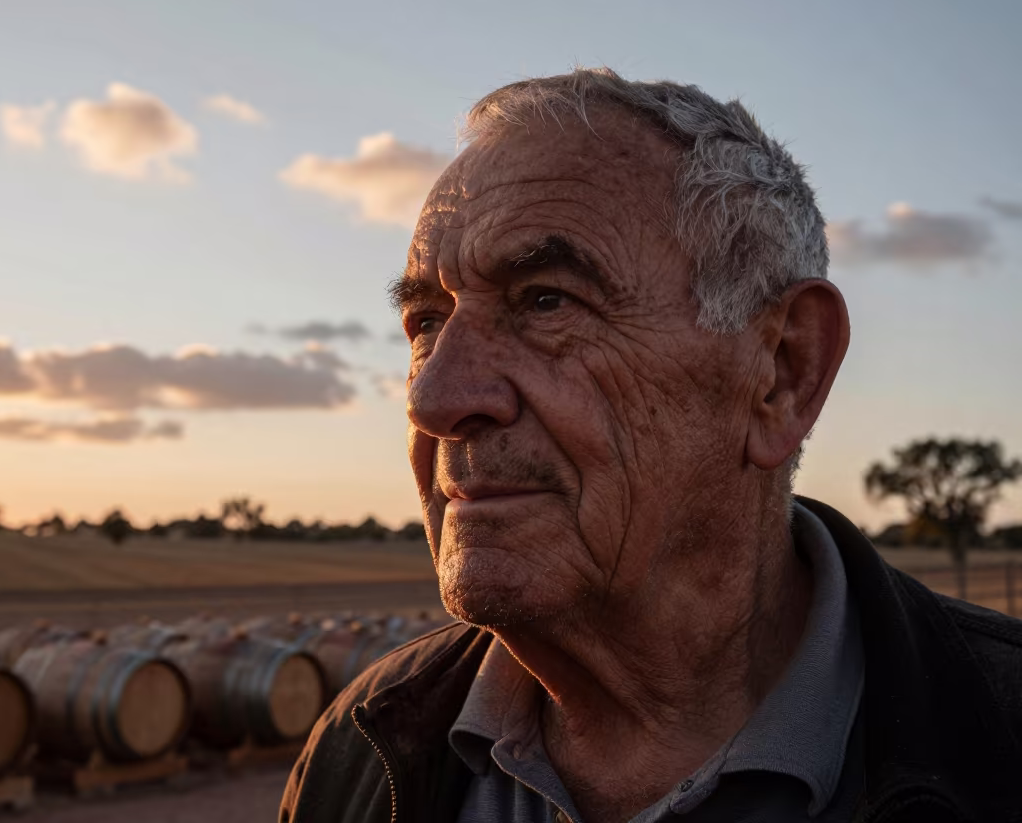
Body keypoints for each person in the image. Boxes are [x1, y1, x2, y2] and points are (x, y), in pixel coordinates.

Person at [280, 69, 1022, 823]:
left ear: (782, 373)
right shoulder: (361, 750)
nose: (434, 400)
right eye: (428, 324)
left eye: (545, 302)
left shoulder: (1002, 733)